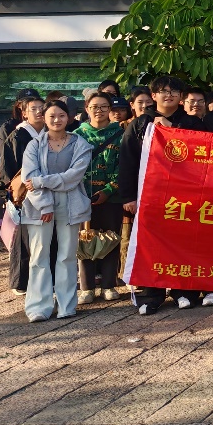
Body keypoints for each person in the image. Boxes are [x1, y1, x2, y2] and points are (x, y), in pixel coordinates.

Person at [118, 76, 206, 313]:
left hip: (184, 196)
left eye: (174, 91)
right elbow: (127, 161)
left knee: (183, 243)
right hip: (149, 195)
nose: (169, 95)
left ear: (181, 97)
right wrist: (128, 196)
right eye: (163, 91)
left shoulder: (192, 123)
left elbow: (201, 157)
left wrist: (172, 130)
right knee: (150, 244)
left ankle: (183, 291)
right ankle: (151, 294)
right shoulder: (139, 123)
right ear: (153, 95)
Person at [19, 101, 93, 322]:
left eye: (61, 115)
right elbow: (29, 179)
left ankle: (66, 305)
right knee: (39, 255)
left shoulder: (80, 144)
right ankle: (38, 307)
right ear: (44, 117)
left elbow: (73, 177)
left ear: (69, 118)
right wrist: (45, 204)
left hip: (71, 202)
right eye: (51, 116)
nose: (56, 120)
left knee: (67, 255)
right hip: (39, 204)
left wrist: (42, 181)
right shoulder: (34, 145)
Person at [75, 93, 124, 302]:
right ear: (87, 109)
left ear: (110, 109)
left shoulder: (120, 134)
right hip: (82, 196)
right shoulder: (77, 135)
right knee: (84, 239)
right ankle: (86, 288)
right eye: (95, 106)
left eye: (104, 106)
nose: (99, 110)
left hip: (111, 197)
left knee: (111, 239)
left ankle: (109, 285)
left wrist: (109, 190)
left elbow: (124, 166)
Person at [3, 96, 48, 295]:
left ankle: (46, 278)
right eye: (33, 108)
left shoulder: (51, 133)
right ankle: (20, 281)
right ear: (24, 113)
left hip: (48, 188)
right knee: (24, 237)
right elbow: (9, 167)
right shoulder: (18, 135)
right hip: (25, 191)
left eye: (41, 108)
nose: (38, 112)